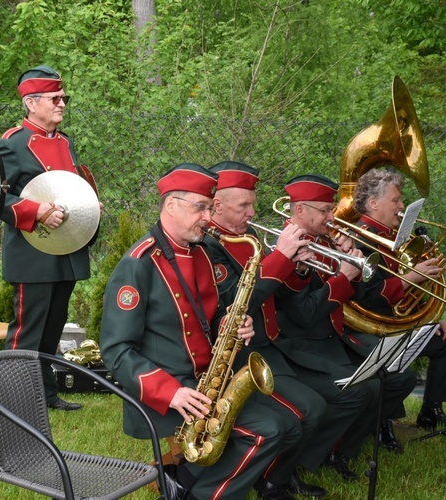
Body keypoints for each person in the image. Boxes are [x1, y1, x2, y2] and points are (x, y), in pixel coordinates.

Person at [101, 163, 301, 500]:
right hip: (169, 392)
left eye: (210, 208)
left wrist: (233, 324)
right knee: (263, 433)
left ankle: (184, 482)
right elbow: (116, 350)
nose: (208, 217)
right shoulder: (138, 264)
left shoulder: (202, 255)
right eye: (201, 207)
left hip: (205, 380)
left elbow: (211, 317)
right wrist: (171, 393)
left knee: (282, 425)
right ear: (171, 206)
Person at [206, 161, 328, 499]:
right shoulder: (209, 245)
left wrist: (298, 267)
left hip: (267, 346)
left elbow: (278, 292)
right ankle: (269, 481)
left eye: (252, 202)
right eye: (244, 204)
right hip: (240, 355)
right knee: (302, 413)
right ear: (217, 205)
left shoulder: (248, 237)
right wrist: (281, 258)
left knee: (314, 408)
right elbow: (234, 302)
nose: (253, 210)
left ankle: (277, 477)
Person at [0, 65, 96, 411]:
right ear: (31, 102)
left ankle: (45, 394)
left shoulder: (66, 143)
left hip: (66, 249)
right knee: (28, 330)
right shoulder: (12, 144)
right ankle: (8, 399)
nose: (62, 103)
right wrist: (35, 211)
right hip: (32, 252)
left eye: (63, 97)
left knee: (53, 328)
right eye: (55, 98)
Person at [273, 174, 381, 481]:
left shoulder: (323, 241)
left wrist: (354, 264)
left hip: (330, 338)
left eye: (330, 208)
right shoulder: (285, 249)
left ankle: (338, 451)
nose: (331, 216)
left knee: (383, 380)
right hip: (300, 345)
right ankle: (306, 460)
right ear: (300, 211)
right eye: (324, 210)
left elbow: (357, 295)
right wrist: (343, 277)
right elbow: (305, 315)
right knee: (361, 390)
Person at [348, 167, 446, 430]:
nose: (401, 206)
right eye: (396, 200)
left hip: (399, 323)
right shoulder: (361, 240)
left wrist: (431, 318)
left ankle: (431, 410)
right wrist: (412, 277)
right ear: (373, 203)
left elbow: (405, 295)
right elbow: (368, 298)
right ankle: (383, 423)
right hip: (373, 326)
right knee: (396, 370)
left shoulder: (393, 236)